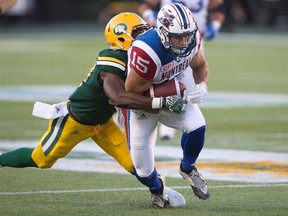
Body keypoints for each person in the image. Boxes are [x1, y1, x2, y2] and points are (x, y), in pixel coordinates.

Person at [0, 13, 187, 207]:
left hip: (104, 123)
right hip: (75, 120)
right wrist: (160, 103)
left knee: (135, 162)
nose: (145, 35)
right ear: (121, 35)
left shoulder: (137, 56)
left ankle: (159, 192)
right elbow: (118, 97)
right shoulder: (112, 58)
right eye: (139, 31)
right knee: (41, 159)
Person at [125, 3, 210, 207]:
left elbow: (200, 66)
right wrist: (161, 102)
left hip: (171, 95)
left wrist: (202, 85)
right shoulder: (148, 51)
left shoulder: (192, 36)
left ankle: (188, 168)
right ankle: (157, 190)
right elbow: (129, 95)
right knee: (143, 170)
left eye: (186, 36)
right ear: (163, 33)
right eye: (176, 37)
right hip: (142, 106)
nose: (183, 41)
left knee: (198, 126)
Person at [138, 0, 225, 140]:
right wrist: (148, 14)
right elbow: (144, 3)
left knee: (189, 91)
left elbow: (219, 8)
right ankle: (158, 125)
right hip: (167, 39)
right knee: (161, 80)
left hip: (193, 38)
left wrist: (215, 25)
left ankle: (190, 128)